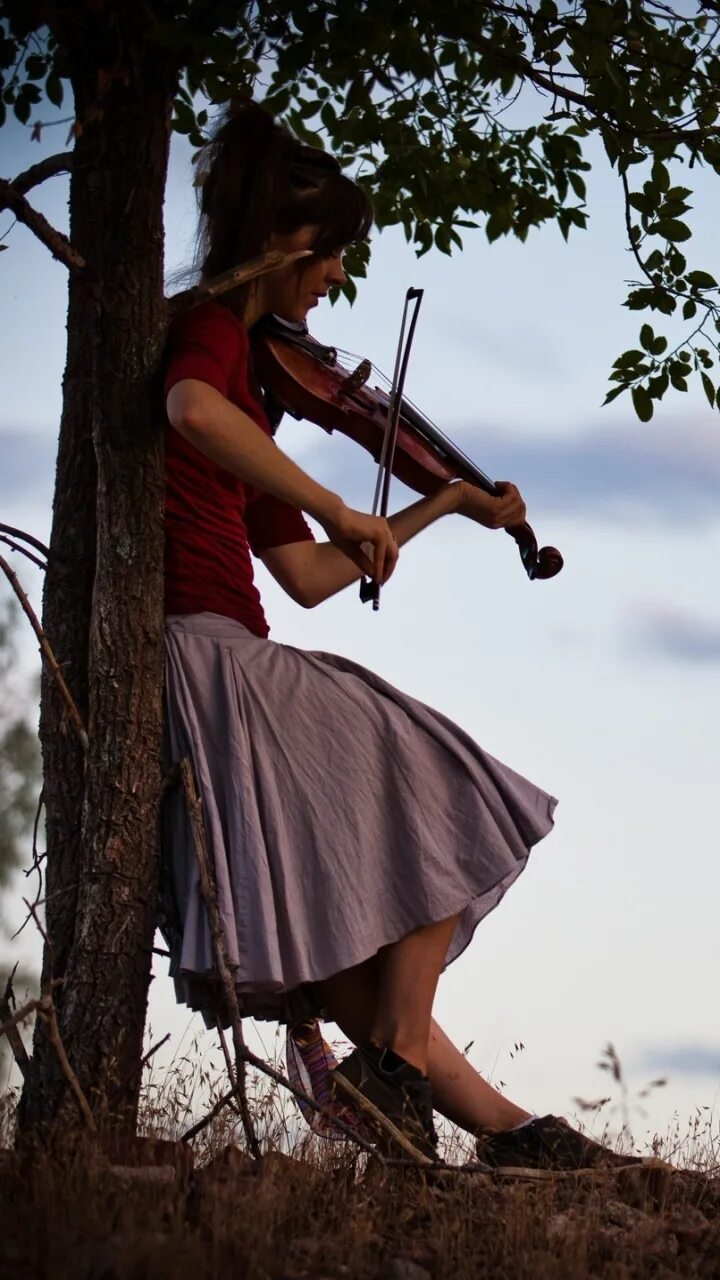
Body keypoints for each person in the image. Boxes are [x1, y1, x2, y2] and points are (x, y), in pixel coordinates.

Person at [160, 99, 624, 1174]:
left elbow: (317, 576)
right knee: (452, 787)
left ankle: (502, 1129)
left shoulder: (256, 407)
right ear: (286, 245)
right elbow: (189, 408)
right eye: (330, 262)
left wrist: (436, 507)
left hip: (234, 649)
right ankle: (400, 1069)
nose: (334, 287)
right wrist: (344, 500)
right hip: (209, 654)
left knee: (361, 974)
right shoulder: (212, 335)